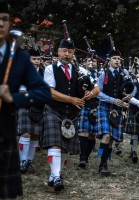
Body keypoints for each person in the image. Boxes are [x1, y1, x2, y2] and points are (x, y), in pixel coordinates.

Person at [0, 1, 51, 198]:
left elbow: (43, 92)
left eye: (4, 19)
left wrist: (12, 97)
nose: (0, 24)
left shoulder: (19, 58)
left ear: (9, 23)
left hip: (4, 135)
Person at [42, 38, 89, 191]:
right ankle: (56, 177)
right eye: (64, 51)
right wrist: (70, 99)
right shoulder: (50, 69)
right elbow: (50, 92)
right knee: (55, 144)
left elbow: (96, 88)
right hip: (54, 110)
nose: (67, 54)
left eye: (70, 52)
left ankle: (56, 174)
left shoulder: (79, 71)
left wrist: (90, 93)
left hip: (71, 114)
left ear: (73, 54)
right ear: (58, 52)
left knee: (64, 148)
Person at [96, 49, 131, 175]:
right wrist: (112, 100)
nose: (117, 61)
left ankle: (104, 162)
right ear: (109, 61)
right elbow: (98, 92)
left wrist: (128, 96)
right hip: (104, 106)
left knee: (111, 138)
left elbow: (133, 88)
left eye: (118, 59)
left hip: (117, 108)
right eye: (114, 59)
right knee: (106, 135)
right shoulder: (103, 74)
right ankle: (102, 164)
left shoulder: (124, 73)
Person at [17, 49, 45, 173]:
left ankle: (29, 161)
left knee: (35, 136)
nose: (37, 62)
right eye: (34, 59)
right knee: (25, 133)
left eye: (38, 59)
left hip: (39, 107)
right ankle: (21, 161)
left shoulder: (44, 72)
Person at [78, 56, 100, 169]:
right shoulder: (80, 73)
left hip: (96, 106)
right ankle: (82, 158)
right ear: (84, 62)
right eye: (89, 61)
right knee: (83, 132)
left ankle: (86, 157)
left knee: (92, 135)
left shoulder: (100, 75)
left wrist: (93, 92)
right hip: (84, 104)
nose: (92, 63)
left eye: (94, 61)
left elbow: (101, 90)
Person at [124, 67, 139, 163]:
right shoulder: (133, 82)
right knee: (134, 132)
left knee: (138, 132)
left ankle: (132, 150)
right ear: (138, 71)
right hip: (134, 109)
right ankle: (134, 152)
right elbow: (129, 97)